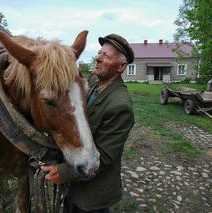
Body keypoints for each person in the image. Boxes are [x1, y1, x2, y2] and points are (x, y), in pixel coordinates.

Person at [41, 33, 135, 213]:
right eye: (99, 53)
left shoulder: (120, 105)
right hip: (76, 178)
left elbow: (106, 157)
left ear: (121, 66)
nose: (98, 58)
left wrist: (63, 173)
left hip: (92, 193)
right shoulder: (93, 83)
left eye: (106, 56)